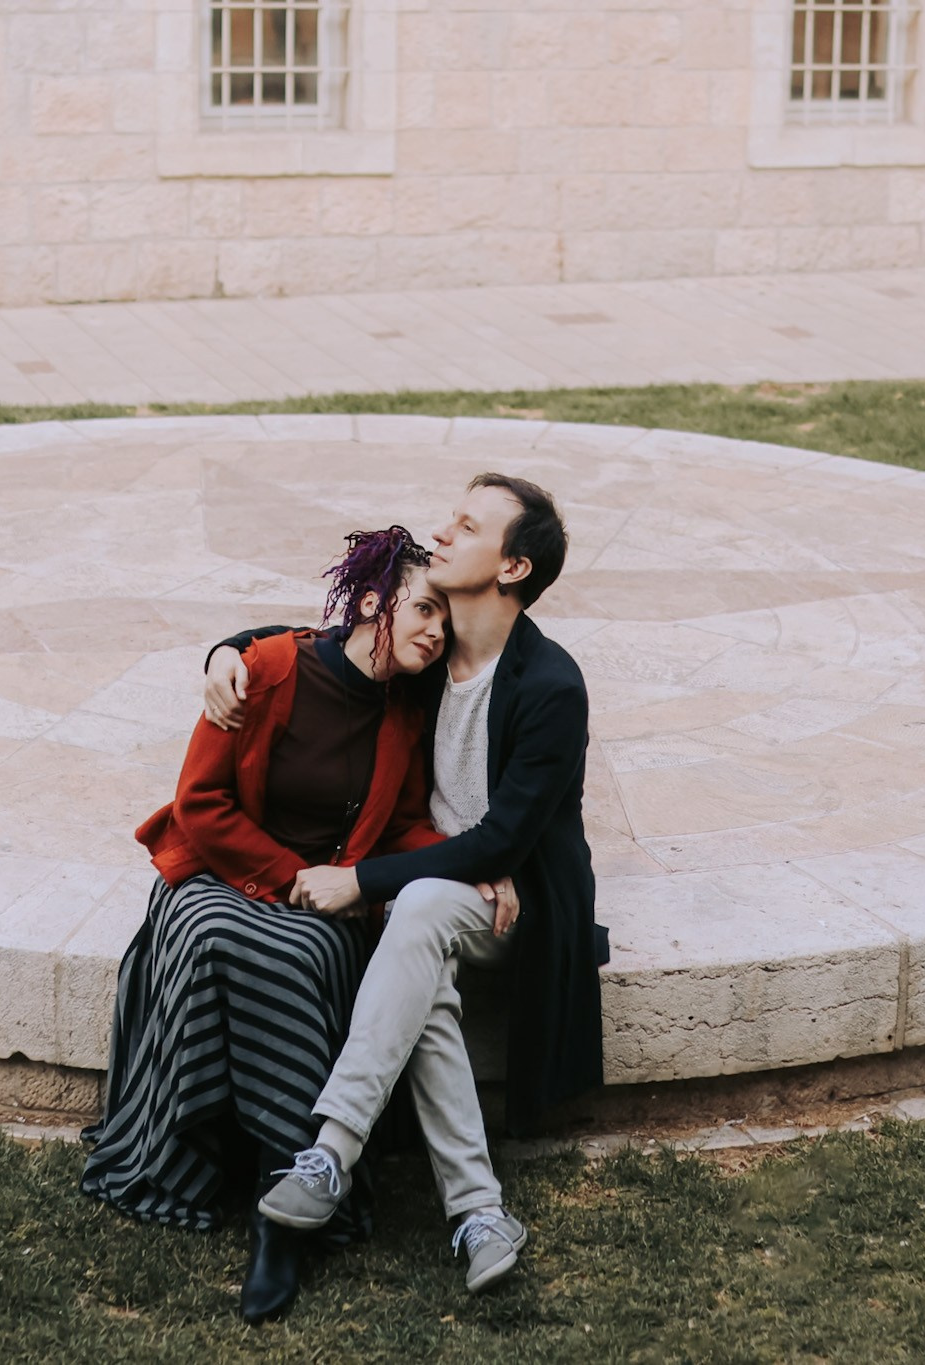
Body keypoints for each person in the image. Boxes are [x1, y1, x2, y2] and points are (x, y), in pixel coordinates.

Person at [202, 473, 606, 1295]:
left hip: (512, 906)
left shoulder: (551, 688)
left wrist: (361, 879)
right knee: (425, 970)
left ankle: (329, 1153)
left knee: (414, 907)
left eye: (467, 527)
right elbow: (316, 636)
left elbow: (503, 841)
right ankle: (478, 1211)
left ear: (513, 567)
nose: (444, 534)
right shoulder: (426, 653)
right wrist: (224, 652)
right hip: (433, 894)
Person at [80, 526, 454, 1325]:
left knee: (304, 957)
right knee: (214, 936)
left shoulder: (405, 714)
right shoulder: (267, 669)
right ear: (367, 602)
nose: (435, 629)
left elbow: (405, 826)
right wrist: (292, 879)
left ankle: (281, 1212)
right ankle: (195, 1161)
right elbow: (201, 803)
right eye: (423, 608)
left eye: (445, 621)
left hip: (323, 903)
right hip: (221, 873)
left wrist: (474, 861)